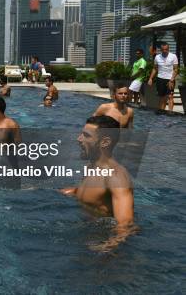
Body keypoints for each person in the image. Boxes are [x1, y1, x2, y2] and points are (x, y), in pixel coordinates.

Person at [60, 116, 135, 253]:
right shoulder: (91, 166)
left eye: (86, 135)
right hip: (85, 231)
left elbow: (126, 225)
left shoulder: (116, 177)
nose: (79, 139)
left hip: (102, 242)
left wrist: (106, 248)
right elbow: (95, 195)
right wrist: (72, 191)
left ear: (104, 142)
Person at [147, 43, 179, 111]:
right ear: (161, 49)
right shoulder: (157, 57)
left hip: (170, 79)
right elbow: (155, 69)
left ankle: (170, 113)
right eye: (163, 49)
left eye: (166, 49)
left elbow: (176, 69)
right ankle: (161, 113)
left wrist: (172, 80)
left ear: (168, 49)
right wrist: (150, 78)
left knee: (170, 96)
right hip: (160, 79)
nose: (165, 51)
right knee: (162, 97)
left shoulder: (173, 56)